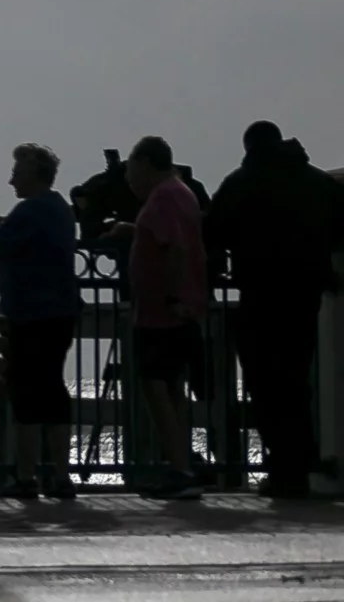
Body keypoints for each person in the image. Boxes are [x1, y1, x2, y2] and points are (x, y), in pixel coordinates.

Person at [205, 121, 344, 498]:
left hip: (260, 295)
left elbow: (213, 232)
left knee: (265, 385)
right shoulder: (316, 182)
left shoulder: (242, 182)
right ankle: (301, 466)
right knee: (296, 382)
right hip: (304, 296)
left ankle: (286, 467)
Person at [0, 143, 80, 500]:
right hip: (61, 311)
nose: (11, 180)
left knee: (24, 394)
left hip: (29, 315)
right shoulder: (57, 209)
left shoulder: (30, 211)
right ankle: (61, 475)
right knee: (53, 391)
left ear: (34, 176)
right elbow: (9, 227)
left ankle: (25, 476)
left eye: (17, 173)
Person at [102, 134, 209, 499]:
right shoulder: (180, 192)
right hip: (174, 308)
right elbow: (170, 239)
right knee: (171, 387)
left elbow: (176, 249)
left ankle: (180, 468)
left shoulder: (162, 198)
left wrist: (171, 295)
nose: (128, 178)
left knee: (155, 387)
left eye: (131, 169)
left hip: (161, 312)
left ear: (146, 163)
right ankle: (182, 463)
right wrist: (135, 231)